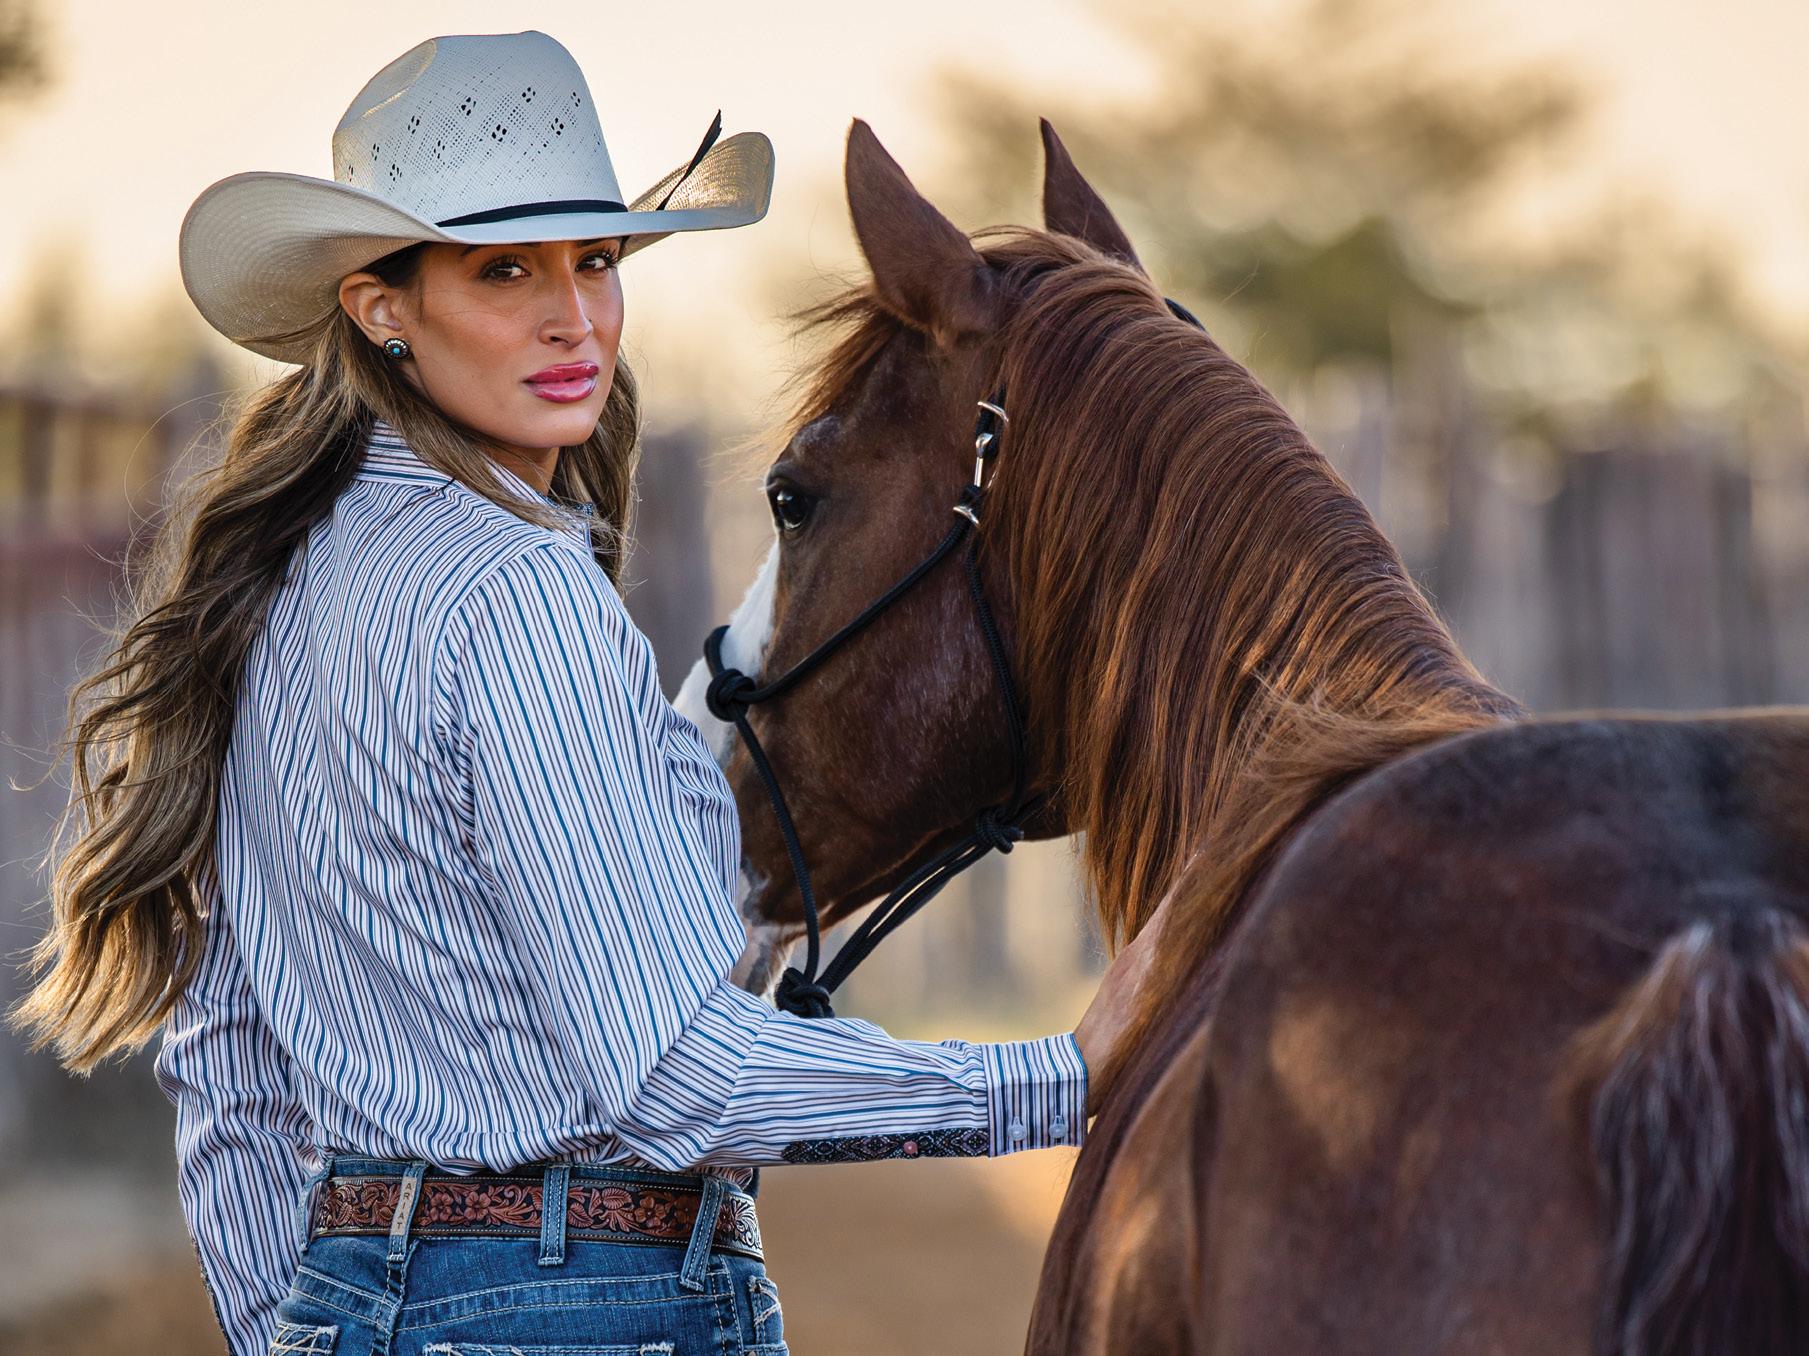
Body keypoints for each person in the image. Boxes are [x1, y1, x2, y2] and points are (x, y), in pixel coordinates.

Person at [7, 29, 1157, 1356]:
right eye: (505, 270)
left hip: (360, 1300)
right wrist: (1056, 1078)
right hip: (585, 1306)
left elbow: (228, 1066)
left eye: (595, 260)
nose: (574, 317)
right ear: (381, 308)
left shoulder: (286, 578)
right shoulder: (517, 589)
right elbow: (672, 1081)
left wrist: (305, 1329)